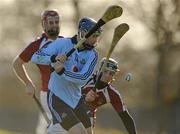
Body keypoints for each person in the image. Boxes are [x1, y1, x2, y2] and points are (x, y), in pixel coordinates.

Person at [31, 17, 103, 134]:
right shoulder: (61, 43)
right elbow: (36, 57)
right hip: (57, 98)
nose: (96, 40)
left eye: (97, 37)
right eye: (94, 36)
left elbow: (83, 78)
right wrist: (53, 58)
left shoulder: (92, 55)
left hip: (76, 99)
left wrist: (62, 72)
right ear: (83, 33)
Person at [13, 9, 64, 134]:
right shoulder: (37, 45)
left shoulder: (66, 42)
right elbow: (17, 64)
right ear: (44, 24)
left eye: (56, 22)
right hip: (48, 94)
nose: (54, 25)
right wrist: (28, 83)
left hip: (67, 93)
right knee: (59, 128)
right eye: (51, 23)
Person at [82, 57, 137, 134]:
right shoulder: (84, 79)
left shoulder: (113, 94)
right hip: (69, 109)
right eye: (105, 71)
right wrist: (85, 98)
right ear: (99, 70)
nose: (107, 75)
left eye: (111, 73)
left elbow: (126, 118)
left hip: (88, 116)